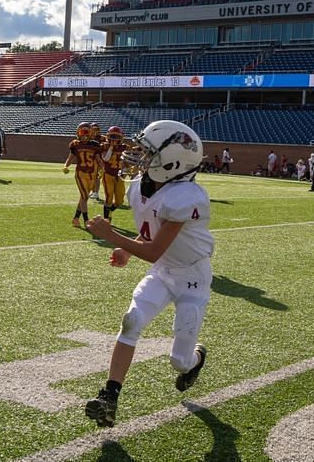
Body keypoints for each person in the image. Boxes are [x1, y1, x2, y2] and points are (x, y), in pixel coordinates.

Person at [83, 120, 212, 428]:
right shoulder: (140, 188)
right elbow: (149, 238)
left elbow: (154, 249)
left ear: (173, 162)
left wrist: (112, 236)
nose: (140, 157)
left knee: (179, 362)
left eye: (149, 153)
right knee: (132, 321)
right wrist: (128, 250)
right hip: (163, 271)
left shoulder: (185, 196)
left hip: (192, 279)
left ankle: (196, 358)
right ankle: (109, 397)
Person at [63, 122, 102, 228]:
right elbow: (70, 158)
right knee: (85, 196)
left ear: (91, 134)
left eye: (86, 133)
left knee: (83, 197)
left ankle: (75, 218)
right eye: (82, 133)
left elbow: (98, 160)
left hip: (92, 174)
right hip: (80, 173)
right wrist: (66, 166)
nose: (84, 136)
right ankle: (86, 220)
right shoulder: (75, 144)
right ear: (78, 133)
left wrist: (102, 169)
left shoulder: (95, 145)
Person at [100, 126, 127, 222]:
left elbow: (126, 163)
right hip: (108, 174)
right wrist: (111, 147)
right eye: (112, 136)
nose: (114, 139)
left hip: (119, 176)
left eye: (116, 136)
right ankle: (106, 218)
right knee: (109, 196)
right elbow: (106, 159)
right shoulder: (105, 146)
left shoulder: (124, 147)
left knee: (120, 201)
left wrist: (125, 172)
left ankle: (110, 210)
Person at [90, 122, 104, 201]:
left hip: (99, 160)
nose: (95, 131)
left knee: (96, 176)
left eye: (96, 129)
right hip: (90, 160)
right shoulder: (88, 137)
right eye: (93, 129)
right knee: (91, 176)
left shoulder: (102, 138)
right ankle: (93, 192)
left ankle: (96, 192)